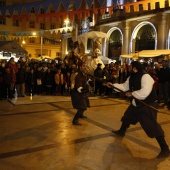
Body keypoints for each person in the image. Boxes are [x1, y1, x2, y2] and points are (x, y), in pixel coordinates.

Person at [106, 61, 170, 159]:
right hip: (136, 103)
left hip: (147, 104)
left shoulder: (146, 77)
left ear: (135, 68)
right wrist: (113, 85)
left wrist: (132, 94)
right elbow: (124, 86)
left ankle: (165, 149)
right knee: (127, 117)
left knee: (151, 125)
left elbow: (144, 92)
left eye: (131, 67)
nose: (130, 68)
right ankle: (122, 131)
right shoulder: (131, 77)